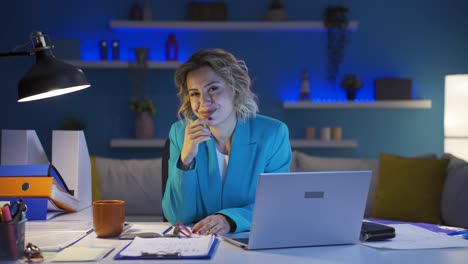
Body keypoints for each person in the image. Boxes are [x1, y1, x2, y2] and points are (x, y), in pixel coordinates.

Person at [162, 48, 292, 235]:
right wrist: (186, 159)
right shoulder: (180, 132)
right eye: (194, 94)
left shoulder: (273, 134)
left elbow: (278, 204)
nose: (204, 102)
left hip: (253, 241)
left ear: (235, 89)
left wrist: (230, 219)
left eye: (213, 88)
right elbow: (177, 217)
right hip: (198, 244)